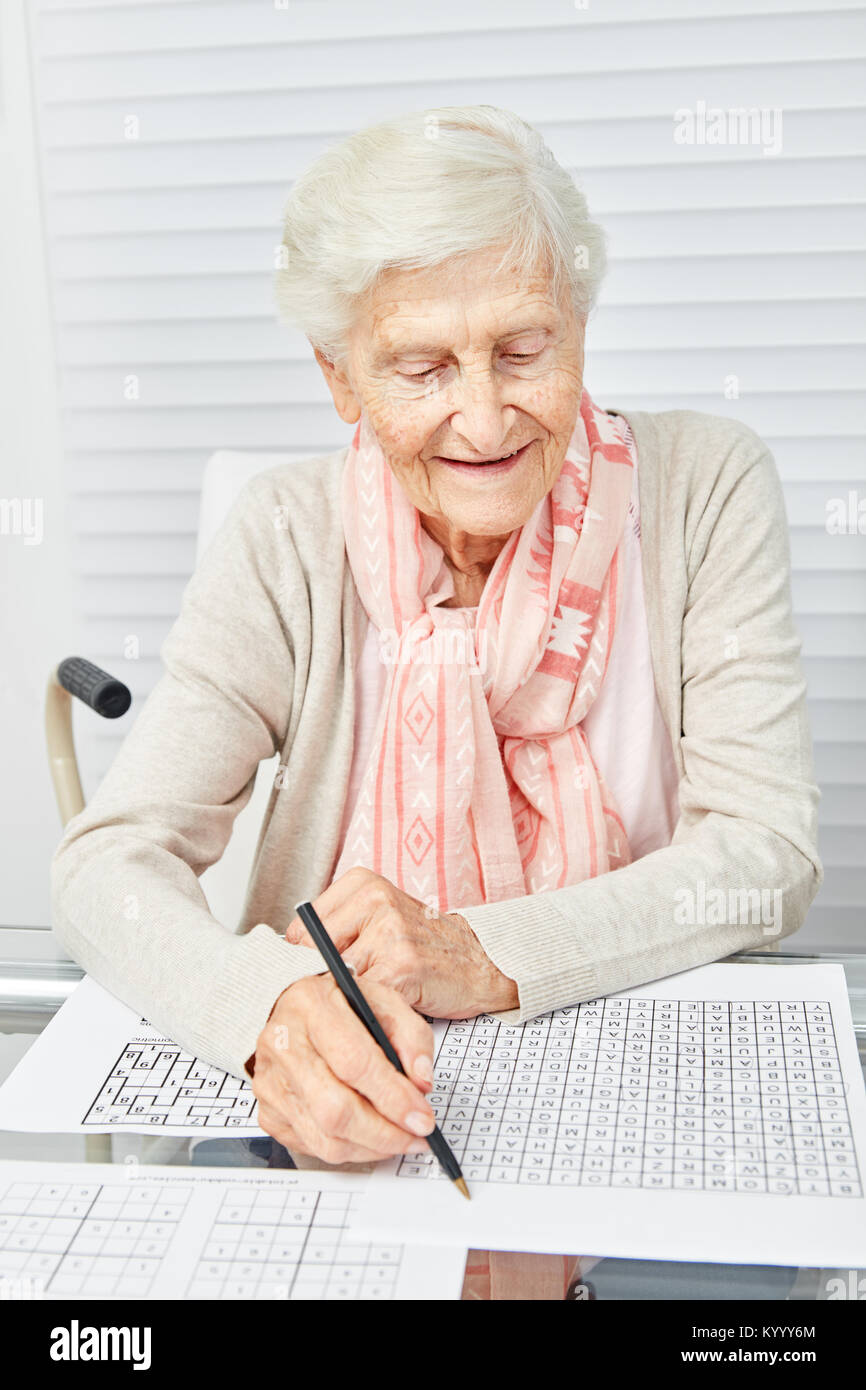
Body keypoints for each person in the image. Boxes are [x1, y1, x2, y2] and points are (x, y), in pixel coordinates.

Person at [51, 105, 822, 1299]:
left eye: (523, 348)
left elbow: (764, 853)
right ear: (339, 375)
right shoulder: (283, 539)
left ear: (578, 324)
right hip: (347, 1133)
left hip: (639, 1101)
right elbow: (108, 863)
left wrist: (481, 950)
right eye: (419, 366)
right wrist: (267, 1011)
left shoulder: (702, 487)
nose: (482, 416)